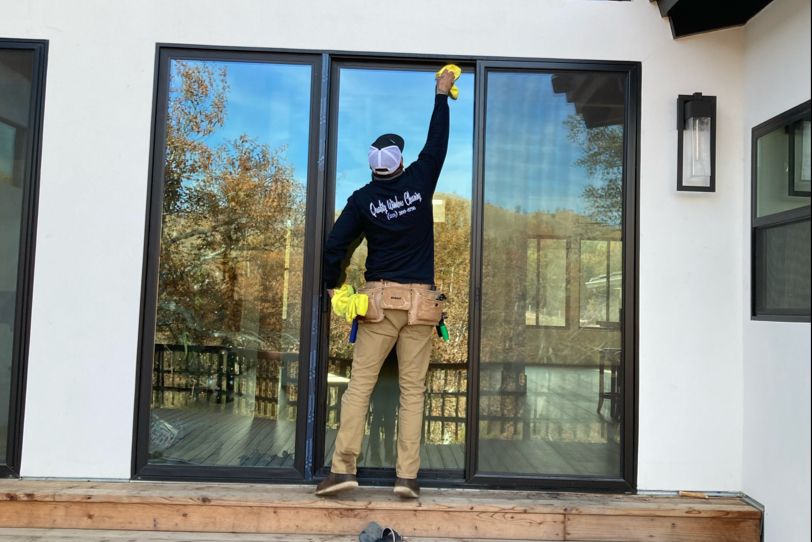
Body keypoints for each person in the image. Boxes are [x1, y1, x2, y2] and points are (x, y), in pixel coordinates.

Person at [316, 68, 456, 499]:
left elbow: (334, 246)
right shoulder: (419, 181)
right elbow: (437, 144)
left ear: (374, 165)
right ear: (399, 160)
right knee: (413, 391)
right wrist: (440, 95)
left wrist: (332, 285)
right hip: (421, 308)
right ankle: (407, 478)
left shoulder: (361, 200)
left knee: (360, 387)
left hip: (378, 304)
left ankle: (343, 470)